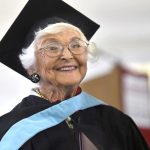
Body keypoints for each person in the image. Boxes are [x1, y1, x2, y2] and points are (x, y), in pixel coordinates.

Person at [0, 0, 149, 150]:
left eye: (76, 45)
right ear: (31, 67)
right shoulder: (11, 132)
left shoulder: (116, 122)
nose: (67, 55)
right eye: (52, 47)